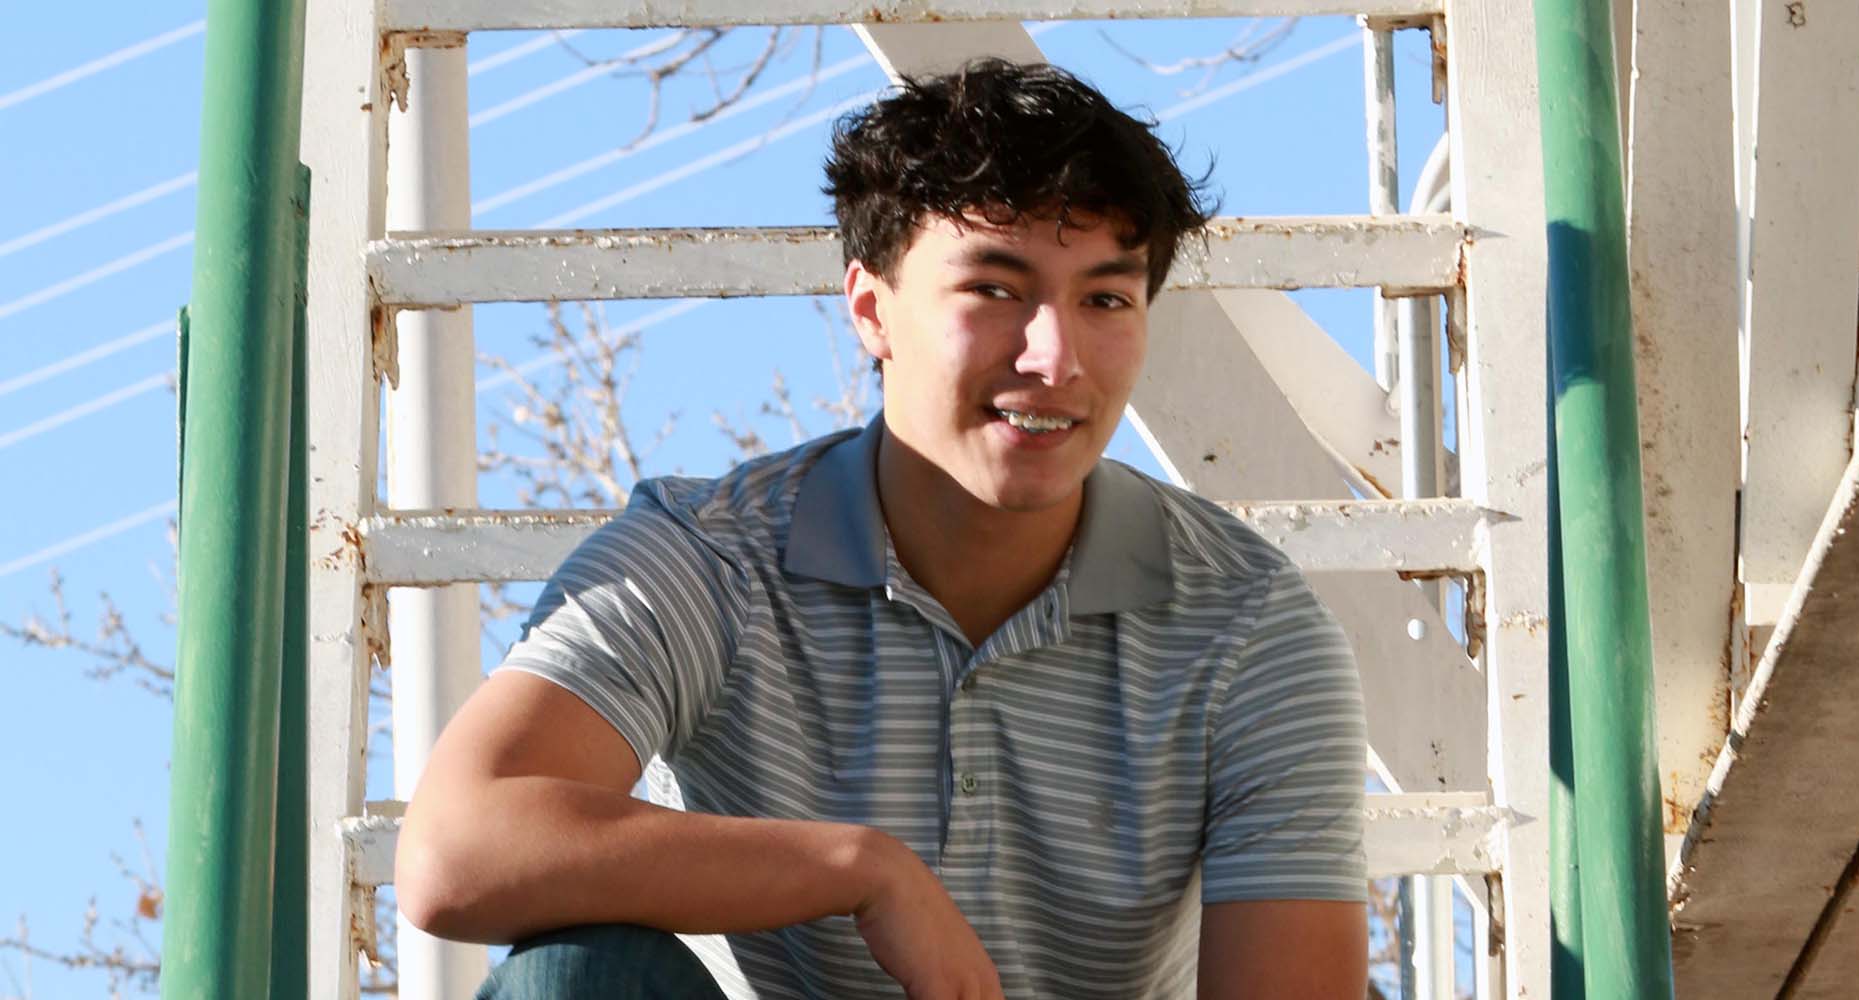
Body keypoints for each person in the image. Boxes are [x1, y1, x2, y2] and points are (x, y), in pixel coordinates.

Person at [397, 58, 1369, 999]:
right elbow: (457, 846)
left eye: (1104, 298)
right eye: (993, 289)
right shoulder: (713, 556)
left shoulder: (1246, 621)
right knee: (574, 978)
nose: (1053, 356)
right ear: (870, 308)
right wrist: (861, 868)